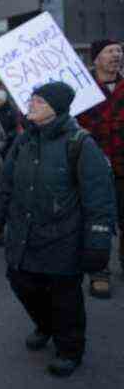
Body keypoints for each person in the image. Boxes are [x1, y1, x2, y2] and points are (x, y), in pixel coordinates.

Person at [0, 81, 116, 377]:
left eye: (39, 101)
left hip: (63, 238)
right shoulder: (23, 141)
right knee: (21, 282)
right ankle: (46, 325)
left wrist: (98, 243)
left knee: (65, 299)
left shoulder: (80, 143)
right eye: (32, 99)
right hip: (23, 236)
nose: (30, 104)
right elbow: (6, 184)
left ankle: (70, 348)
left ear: (56, 108)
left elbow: (99, 197)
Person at [75, 39, 124, 299]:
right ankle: (99, 272)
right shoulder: (81, 89)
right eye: (110, 51)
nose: (117, 55)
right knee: (98, 222)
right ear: (96, 59)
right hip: (93, 170)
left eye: (119, 50)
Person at [0, 89, 22, 155]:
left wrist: (8, 136)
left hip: (10, 143)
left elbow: (15, 127)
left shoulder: (10, 111)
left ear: (1, 101)